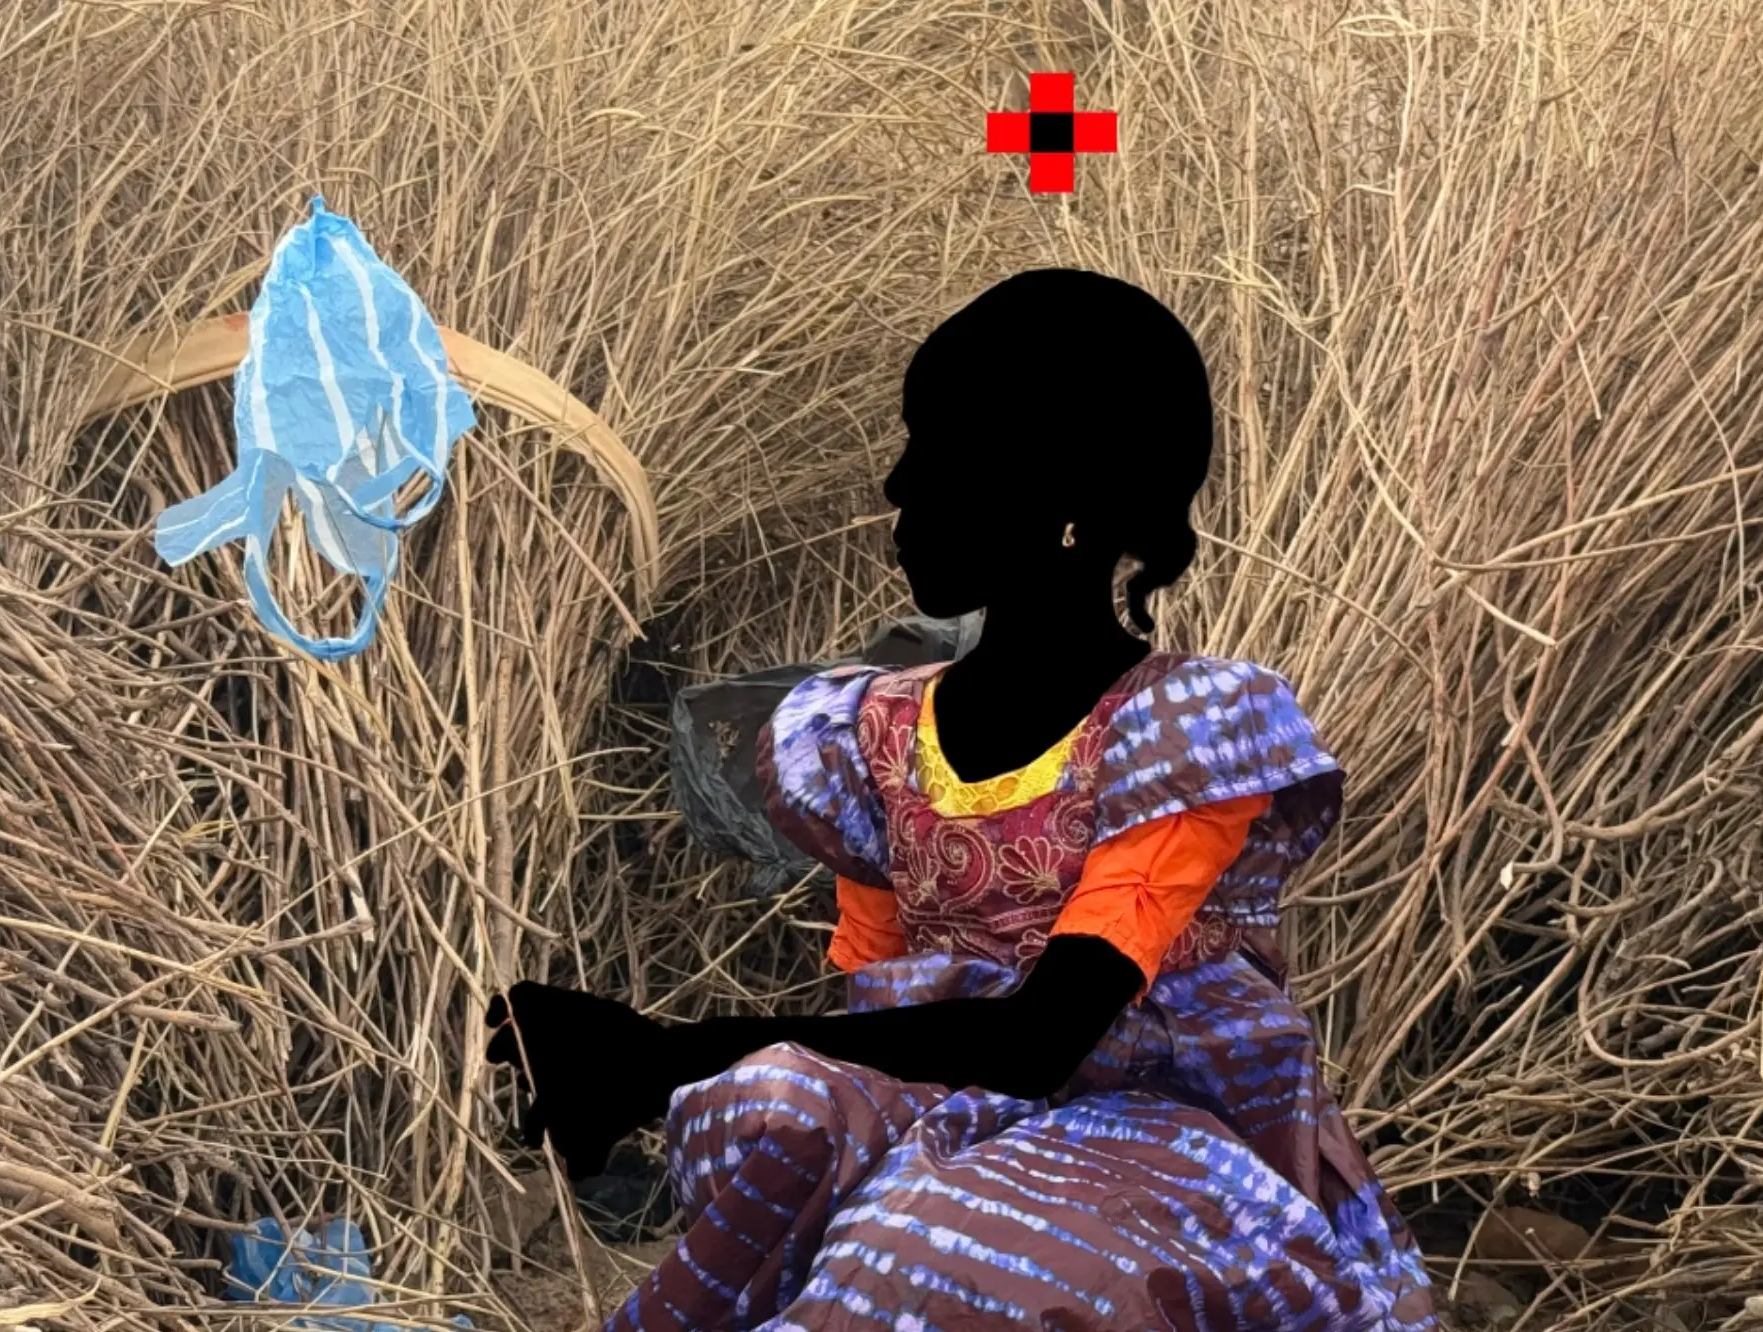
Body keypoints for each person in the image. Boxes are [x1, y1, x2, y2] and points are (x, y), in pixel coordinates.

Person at [485, 268, 1438, 1331]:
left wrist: (656, 1054)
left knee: (923, 1250)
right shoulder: (871, 731)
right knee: (770, 1106)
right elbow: (878, 1001)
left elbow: (1044, 1039)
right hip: (948, 1096)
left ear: (1070, 496)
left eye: (944, 444)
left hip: (1152, 1126)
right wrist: (667, 1065)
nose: (899, 484)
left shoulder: (1186, 729)